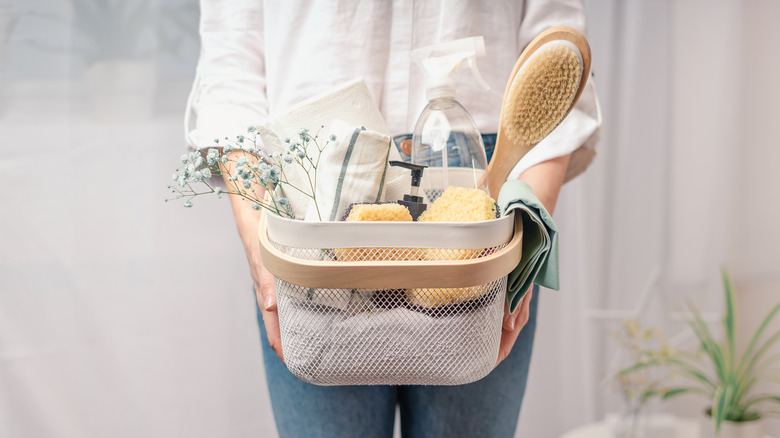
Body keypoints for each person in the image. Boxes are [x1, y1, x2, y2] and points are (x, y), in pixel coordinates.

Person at [185, 1, 601, 437]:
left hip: (481, 167)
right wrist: (262, 250)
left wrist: (522, 242)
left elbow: (557, 43)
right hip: (310, 180)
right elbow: (232, 65)